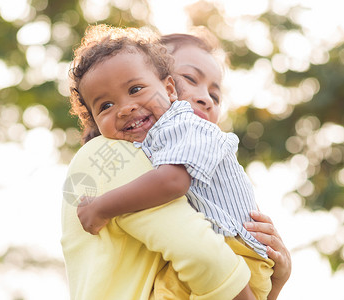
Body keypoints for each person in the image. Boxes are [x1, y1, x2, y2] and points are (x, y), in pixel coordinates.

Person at [72, 25, 289, 299]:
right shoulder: (121, 153)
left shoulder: (184, 128)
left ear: (168, 87)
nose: (204, 98)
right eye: (190, 78)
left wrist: (101, 207)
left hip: (235, 255)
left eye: (216, 95)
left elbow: (173, 183)